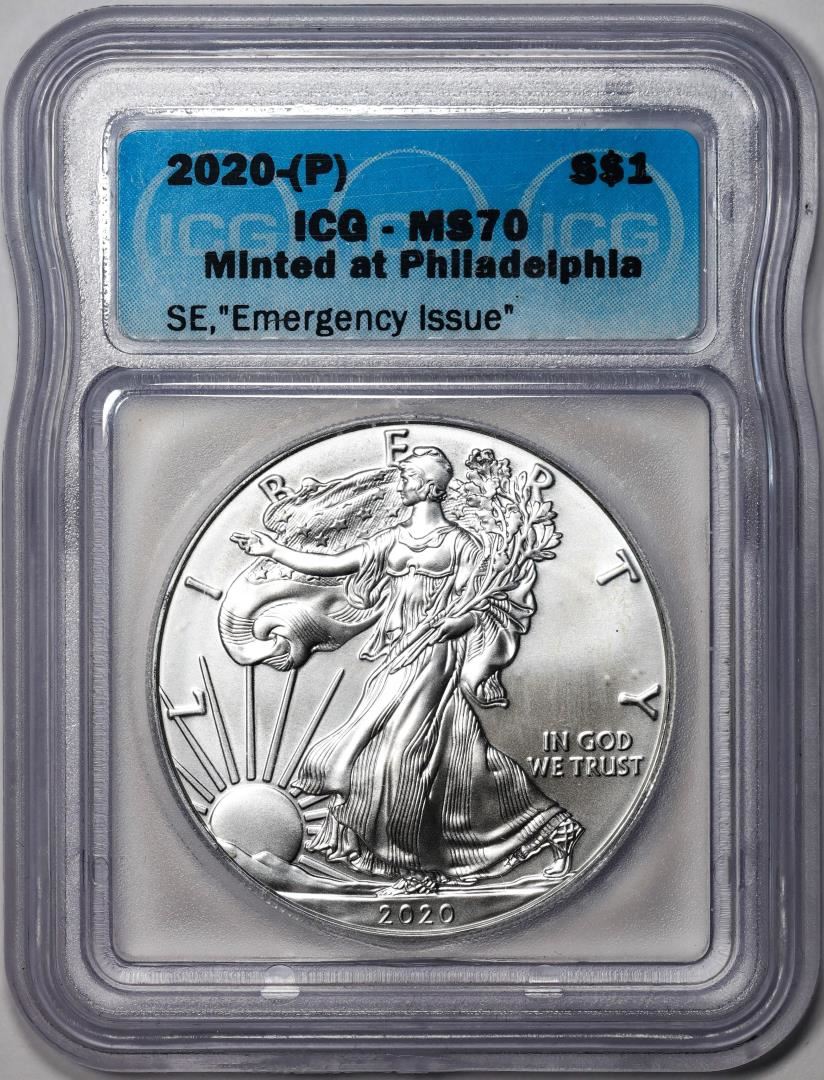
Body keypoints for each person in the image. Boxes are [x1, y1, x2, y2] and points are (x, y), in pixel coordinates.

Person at [232, 447, 582, 893]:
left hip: (436, 655)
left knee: (401, 755)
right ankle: (552, 828)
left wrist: (457, 622)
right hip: (398, 653)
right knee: (454, 758)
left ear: (431, 488)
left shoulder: (460, 544)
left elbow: (483, 605)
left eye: (409, 477)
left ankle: (414, 870)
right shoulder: (392, 540)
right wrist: (274, 550)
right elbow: (335, 565)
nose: (401, 484)